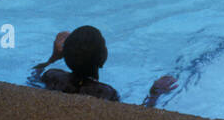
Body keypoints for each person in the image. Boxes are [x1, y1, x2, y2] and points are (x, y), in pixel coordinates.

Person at [37, 26, 177, 107]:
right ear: (103, 58)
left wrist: (53, 57)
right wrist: (154, 94)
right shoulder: (106, 93)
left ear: (65, 55)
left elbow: (34, 76)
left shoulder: (52, 75)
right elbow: (135, 118)